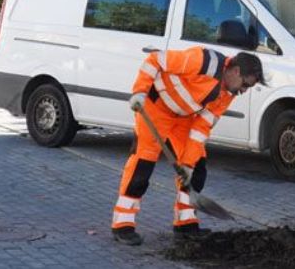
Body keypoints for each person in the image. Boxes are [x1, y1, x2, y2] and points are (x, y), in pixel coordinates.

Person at [110, 46, 264, 246]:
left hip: (184, 118)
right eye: (245, 84)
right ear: (236, 71)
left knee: (197, 169)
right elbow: (155, 60)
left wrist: (188, 164)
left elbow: (201, 128)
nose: (243, 91)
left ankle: (186, 223)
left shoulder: (227, 94)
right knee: (142, 165)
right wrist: (140, 91)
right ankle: (122, 224)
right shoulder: (204, 61)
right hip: (156, 108)